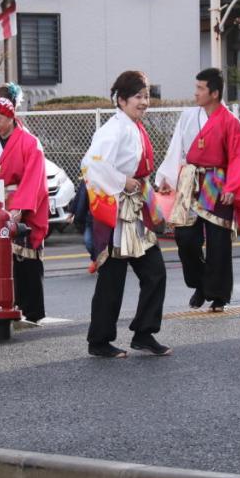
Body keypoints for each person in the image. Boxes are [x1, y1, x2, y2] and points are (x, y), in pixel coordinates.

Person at [81, 70, 170, 358]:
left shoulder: (132, 125)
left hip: (135, 206)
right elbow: (91, 163)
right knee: (112, 278)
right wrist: (122, 181)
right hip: (119, 209)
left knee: (154, 272)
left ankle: (144, 333)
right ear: (121, 100)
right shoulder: (114, 128)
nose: (143, 102)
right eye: (137, 97)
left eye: (146, 96)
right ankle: (100, 340)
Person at [156, 67, 240, 312]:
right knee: (185, 237)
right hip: (190, 178)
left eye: (200, 88)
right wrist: (166, 176)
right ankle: (200, 282)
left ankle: (218, 294)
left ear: (215, 93)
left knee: (218, 241)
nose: (195, 93)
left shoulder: (230, 121)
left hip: (217, 180)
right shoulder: (189, 115)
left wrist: (232, 186)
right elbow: (176, 146)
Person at [0, 91, 50, 322]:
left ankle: (31, 311)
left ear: (11, 117)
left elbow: (35, 177)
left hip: (20, 204)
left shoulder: (29, 142)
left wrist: (19, 208)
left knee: (25, 259)